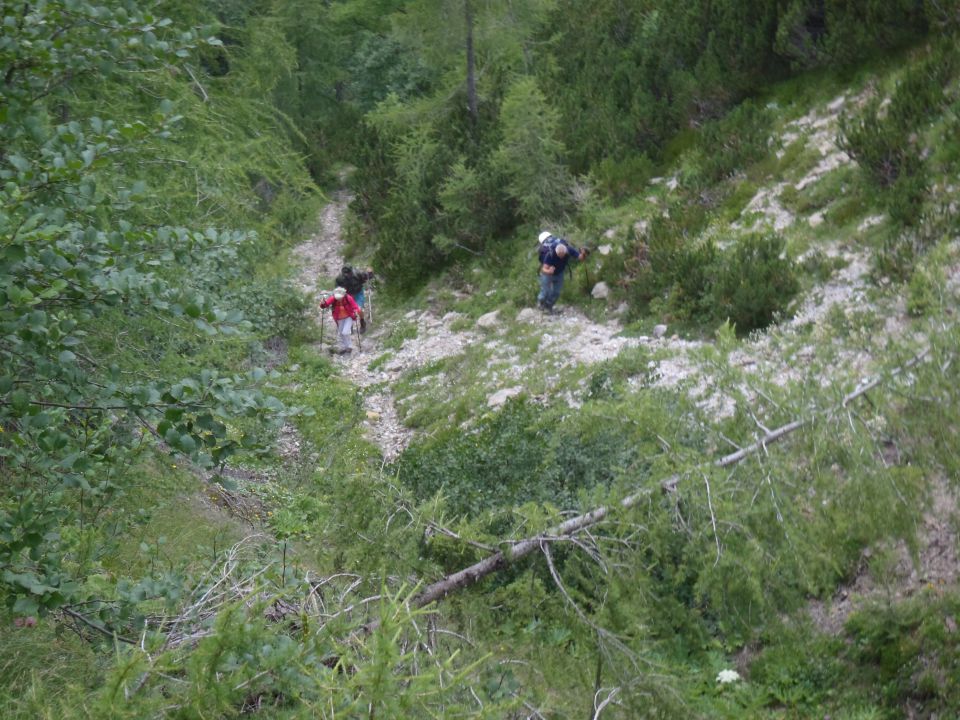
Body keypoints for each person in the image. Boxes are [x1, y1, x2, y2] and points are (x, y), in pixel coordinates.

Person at [536, 231, 588, 314]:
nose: (561, 256)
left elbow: (580, 258)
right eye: (559, 255)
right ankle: (541, 303)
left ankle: (548, 307)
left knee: (556, 292)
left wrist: (583, 254)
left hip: (559, 272)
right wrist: (549, 271)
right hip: (548, 274)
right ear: (556, 252)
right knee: (545, 291)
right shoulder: (550, 254)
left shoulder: (569, 249)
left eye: (563, 255)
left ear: (566, 251)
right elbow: (543, 269)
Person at [320, 286, 360, 354]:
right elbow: (325, 305)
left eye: (340, 298)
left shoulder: (348, 298)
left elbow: (355, 306)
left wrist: (356, 311)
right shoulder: (333, 298)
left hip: (349, 317)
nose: (339, 299)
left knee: (345, 332)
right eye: (337, 298)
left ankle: (349, 346)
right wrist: (323, 303)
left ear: (343, 295)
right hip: (339, 318)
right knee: (341, 333)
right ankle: (345, 347)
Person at [335, 265, 374, 332]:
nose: (347, 275)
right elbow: (337, 288)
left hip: (358, 293)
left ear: (351, 272)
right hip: (347, 295)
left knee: (359, 309)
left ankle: (362, 323)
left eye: (348, 273)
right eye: (345, 273)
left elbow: (368, 276)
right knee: (348, 310)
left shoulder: (358, 274)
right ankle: (350, 326)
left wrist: (369, 272)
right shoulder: (340, 279)